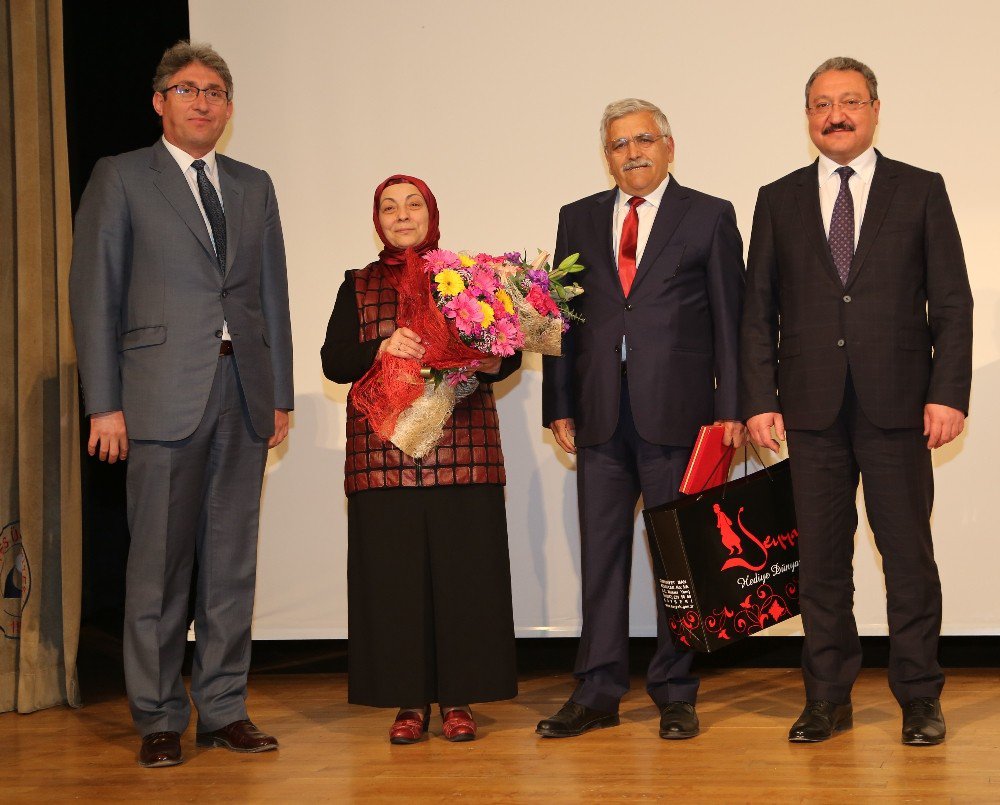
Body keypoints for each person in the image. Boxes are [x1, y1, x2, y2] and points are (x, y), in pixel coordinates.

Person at [69, 41, 293, 767]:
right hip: (157, 396)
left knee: (230, 566)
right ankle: (160, 713)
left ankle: (224, 707)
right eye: (188, 88)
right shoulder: (122, 177)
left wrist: (279, 391)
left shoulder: (254, 184)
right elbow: (93, 293)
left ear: (229, 108)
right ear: (160, 100)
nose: (204, 101)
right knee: (158, 567)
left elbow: (270, 296)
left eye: (217, 91)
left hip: (243, 394)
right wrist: (104, 403)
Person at [741, 57, 973, 746]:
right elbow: (758, 312)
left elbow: (952, 304)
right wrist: (758, 397)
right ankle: (826, 698)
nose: (834, 114)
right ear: (807, 115)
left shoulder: (920, 190)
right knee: (820, 566)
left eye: (848, 101)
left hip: (901, 407)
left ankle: (919, 699)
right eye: (821, 103)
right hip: (809, 411)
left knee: (908, 559)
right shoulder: (777, 198)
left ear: (875, 108)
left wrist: (948, 393)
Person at [538, 99, 745, 740]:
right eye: (619, 144)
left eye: (644, 139)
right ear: (607, 156)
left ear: (669, 145)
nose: (633, 152)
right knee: (602, 559)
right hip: (599, 415)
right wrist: (558, 403)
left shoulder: (709, 215)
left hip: (679, 417)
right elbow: (558, 318)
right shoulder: (577, 219)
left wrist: (732, 413)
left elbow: (731, 327)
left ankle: (675, 689)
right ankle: (597, 689)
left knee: (676, 559)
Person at [321, 175, 519, 743]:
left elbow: (504, 355)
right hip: (383, 453)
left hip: (464, 449)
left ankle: (459, 700)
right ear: (377, 219)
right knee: (394, 584)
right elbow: (335, 361)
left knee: (466, 580)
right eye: (389, 207)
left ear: (432, 214)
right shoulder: (356, 285)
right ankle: (408, 703)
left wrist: (483, 359)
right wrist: (379, 348)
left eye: (413, 205)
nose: (401, 215)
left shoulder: (471, 279)